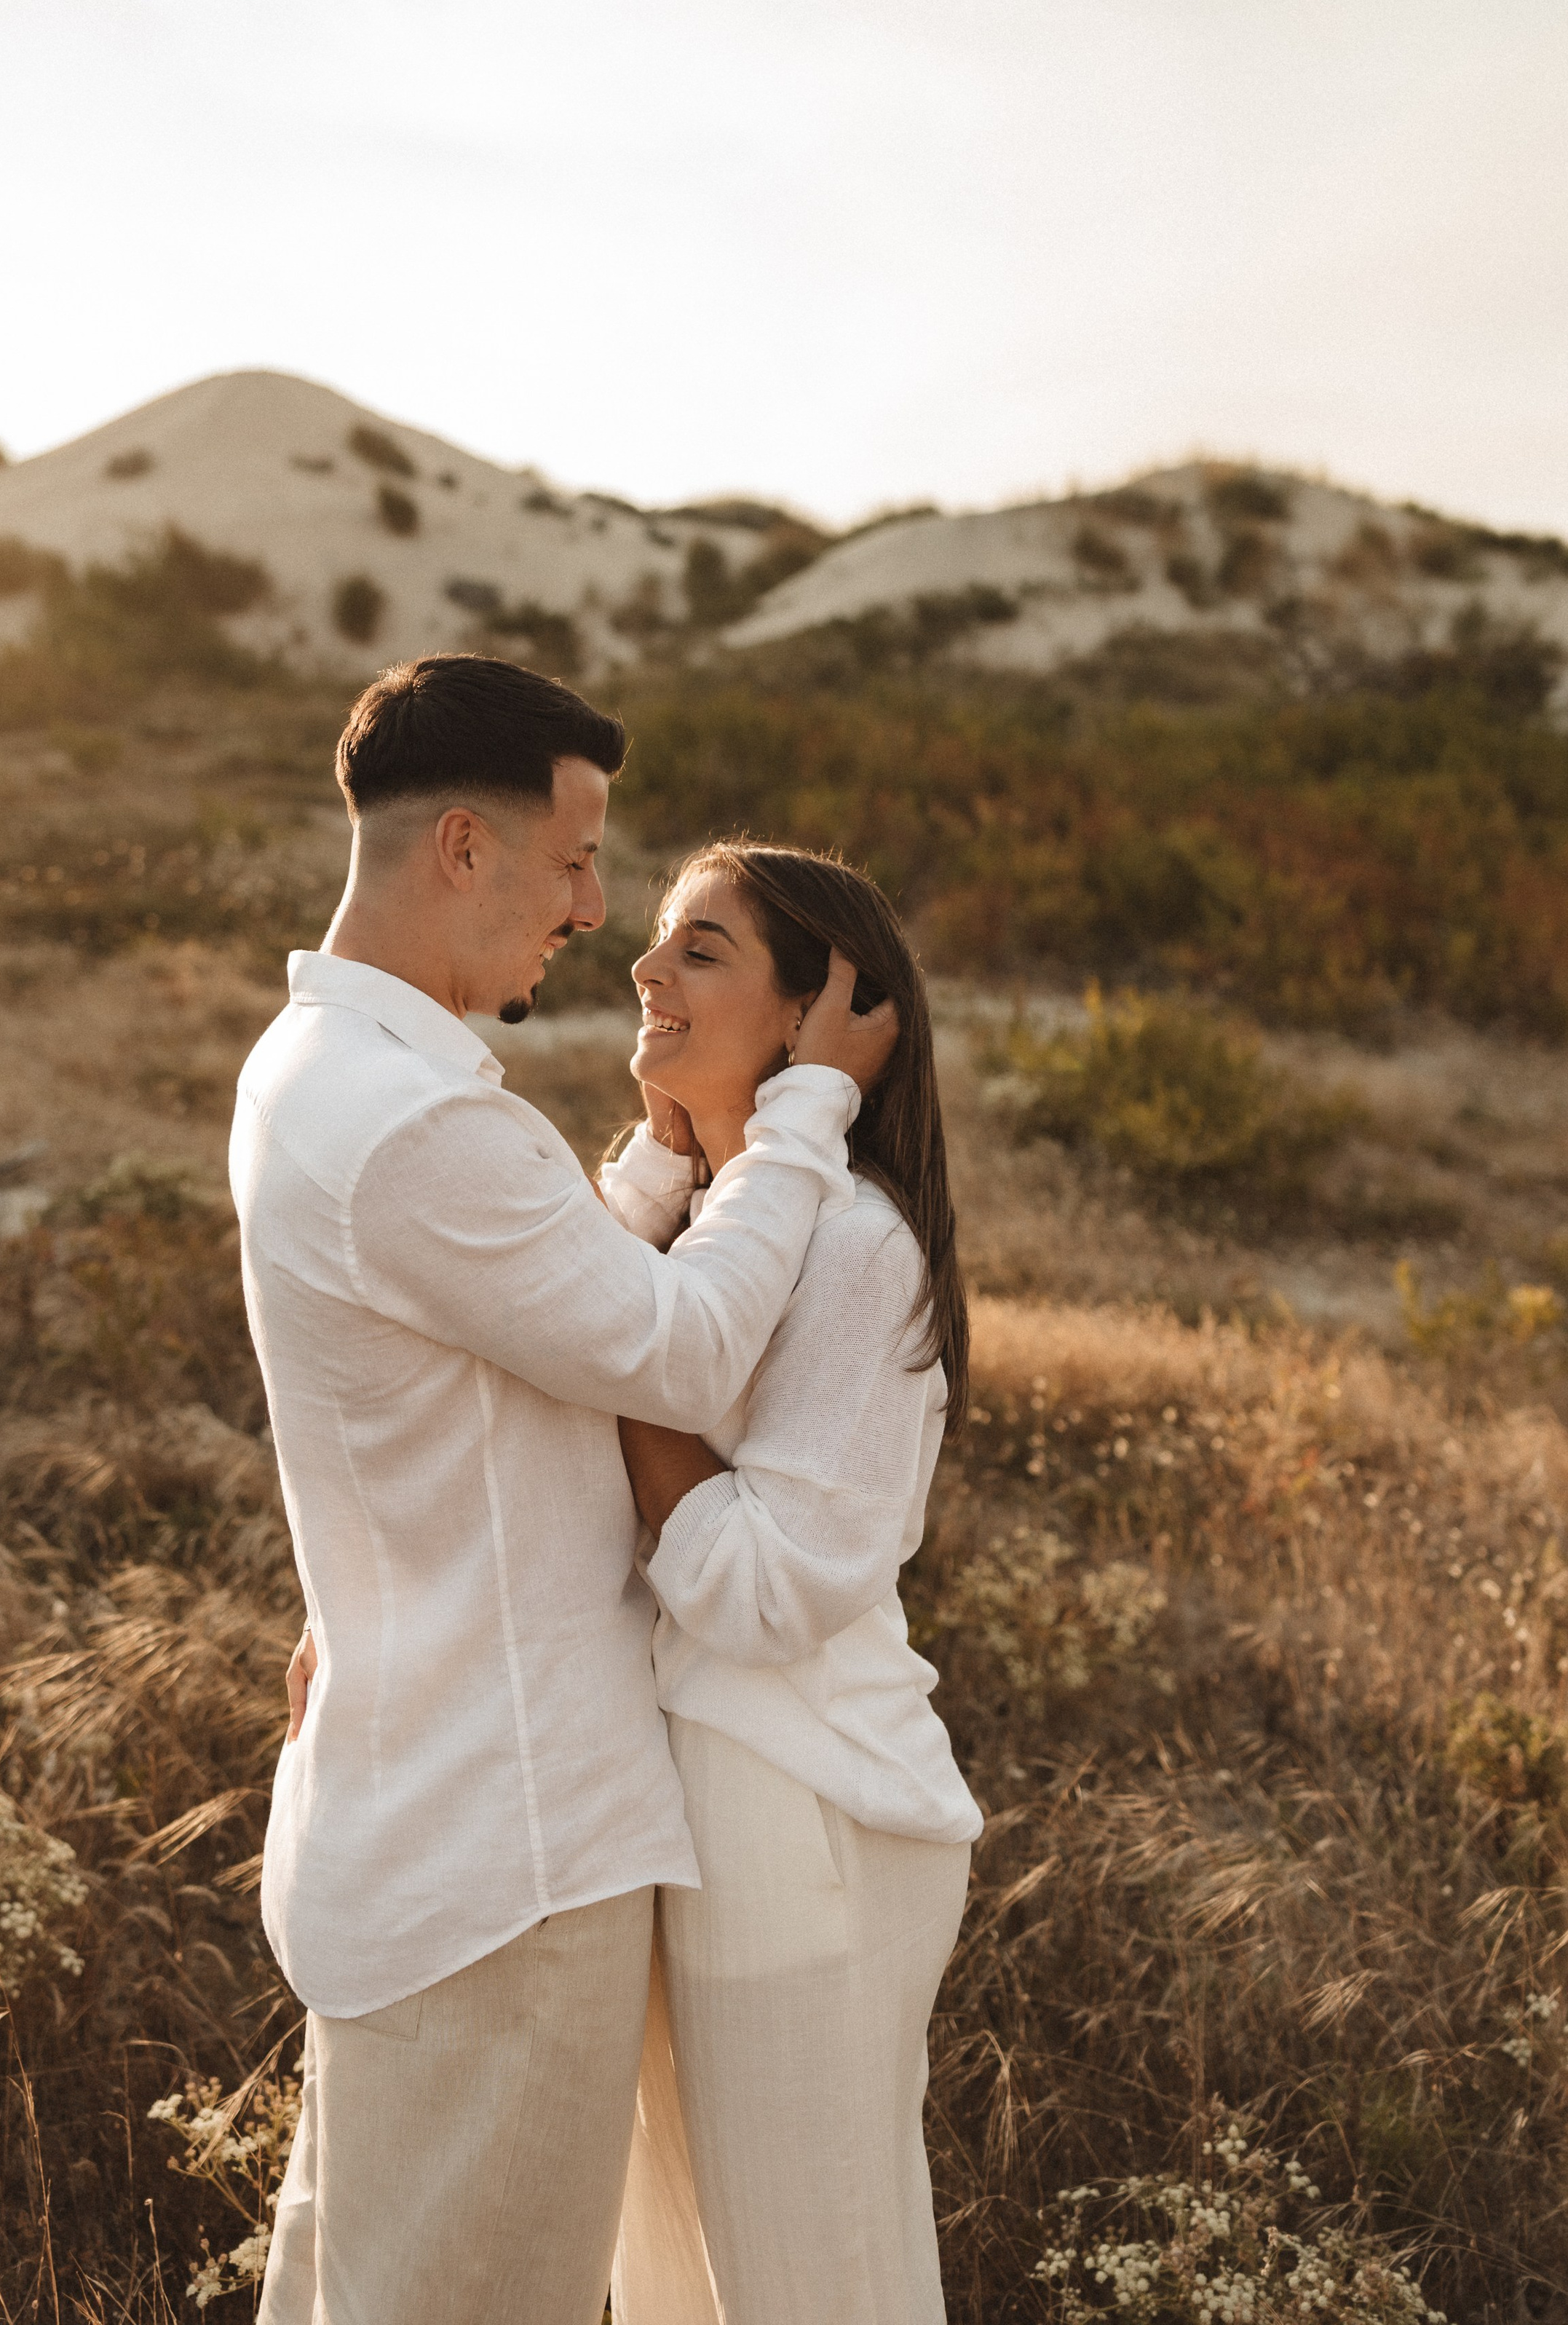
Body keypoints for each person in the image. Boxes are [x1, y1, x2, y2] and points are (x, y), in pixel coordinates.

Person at [234, 655, 895, 2325]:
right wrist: (803, 1112)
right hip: (506, 1856)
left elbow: (493, 1323)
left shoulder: (315, 1073)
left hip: (418, 1814)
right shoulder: (417, 1127)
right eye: (576, 858)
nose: (595, 910)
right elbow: (669, 1356)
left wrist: (669, 1159)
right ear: (464, 845)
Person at [603, 842, 983, 2325]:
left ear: (821, 1014)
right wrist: (655, 1165)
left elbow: (765, 1588)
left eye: (700, 950)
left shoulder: (854, 1245)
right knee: (681, 2278)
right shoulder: (709, 1223)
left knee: (803, 2284)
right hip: (685, 1792)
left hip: (796, 1797)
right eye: (653, 941)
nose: (644, 973)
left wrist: (628, 1381)